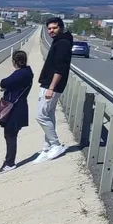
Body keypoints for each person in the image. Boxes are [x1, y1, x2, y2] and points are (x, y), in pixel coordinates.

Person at [36, 17, 73, 162]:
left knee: (40, 115)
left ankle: (56, 144)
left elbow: (60, 68)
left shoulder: (62, 43)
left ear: (61, 28)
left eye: (54, 28)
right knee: (49, 115)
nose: (51, 31)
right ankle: (47, 148)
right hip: (49, 84)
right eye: (49, 28)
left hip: (51, 86)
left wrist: (51, 88)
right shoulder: (59, 41)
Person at [0, 50, 33, 173]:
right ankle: (9, 161)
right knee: (11, 135)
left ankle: (9, 163)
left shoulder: (21, 73)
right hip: (19, 106)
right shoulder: (27, 72)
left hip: (15, 108)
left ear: (14, 61)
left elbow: (4, 82)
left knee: (10, 135)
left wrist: (6, 86)